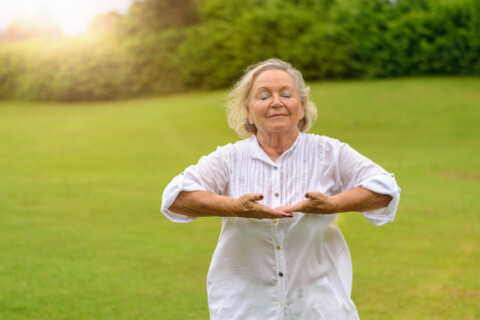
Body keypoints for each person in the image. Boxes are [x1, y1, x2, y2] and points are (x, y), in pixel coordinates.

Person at [161, 58, 400, 320]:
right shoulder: (230, 158)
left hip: (319, 307)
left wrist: (334, 205)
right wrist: (236, 208)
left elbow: (385, 189)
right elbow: (176, 198)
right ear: (249, 112)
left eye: (286, 94)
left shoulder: (329, 152)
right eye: (264, 96)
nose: (276, 102)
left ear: (301, 107)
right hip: (246, 308)